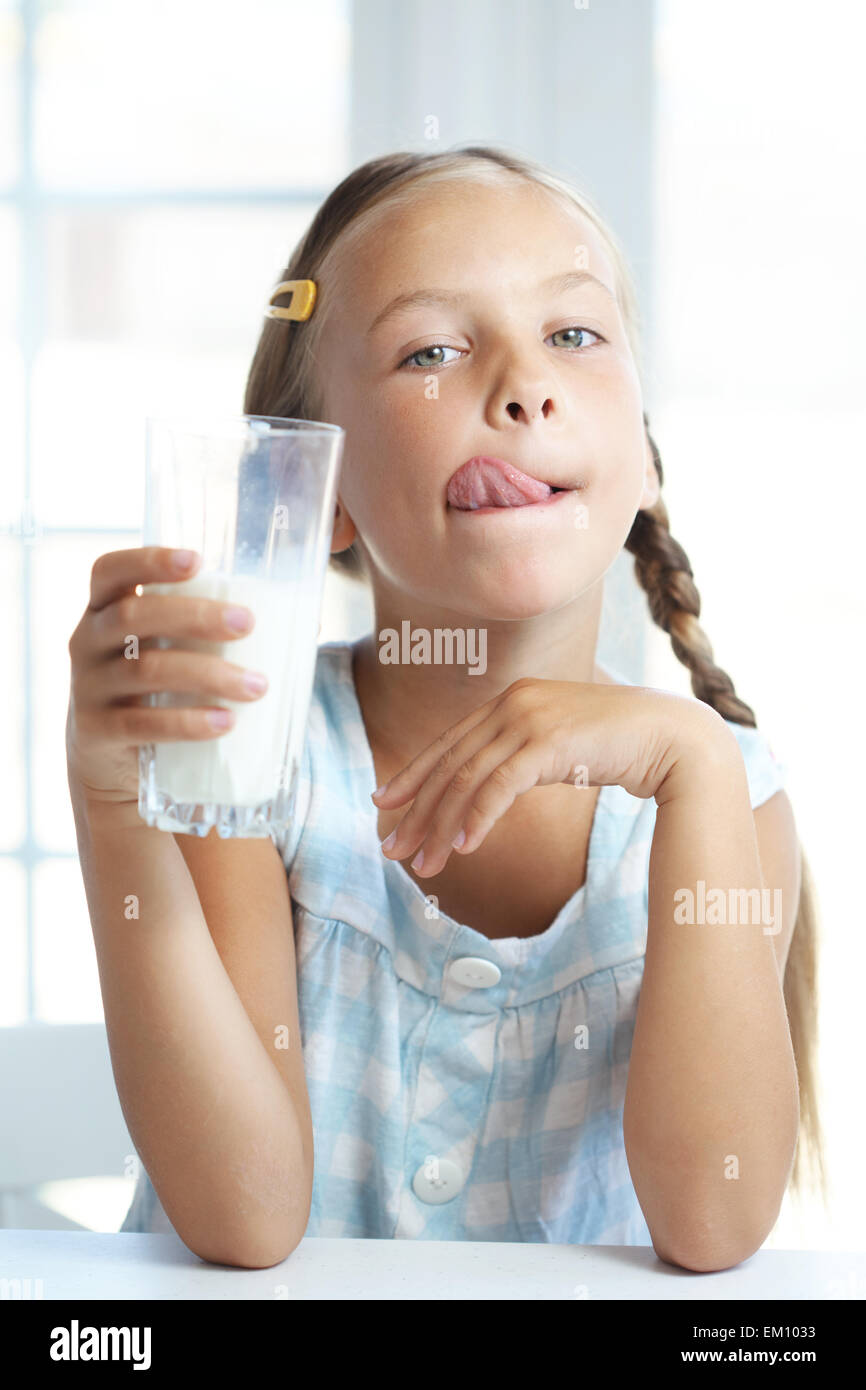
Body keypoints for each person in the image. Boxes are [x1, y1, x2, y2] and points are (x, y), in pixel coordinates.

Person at [67, 146, 824, 1272]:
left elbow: (710, 1224)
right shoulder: (251, 750)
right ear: (308, 487)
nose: (523, 383)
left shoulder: (724, 794)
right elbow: (244, 1214)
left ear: (646, 459)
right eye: (429, 350)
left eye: (572, 333)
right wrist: (111, 801)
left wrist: (695, 763)